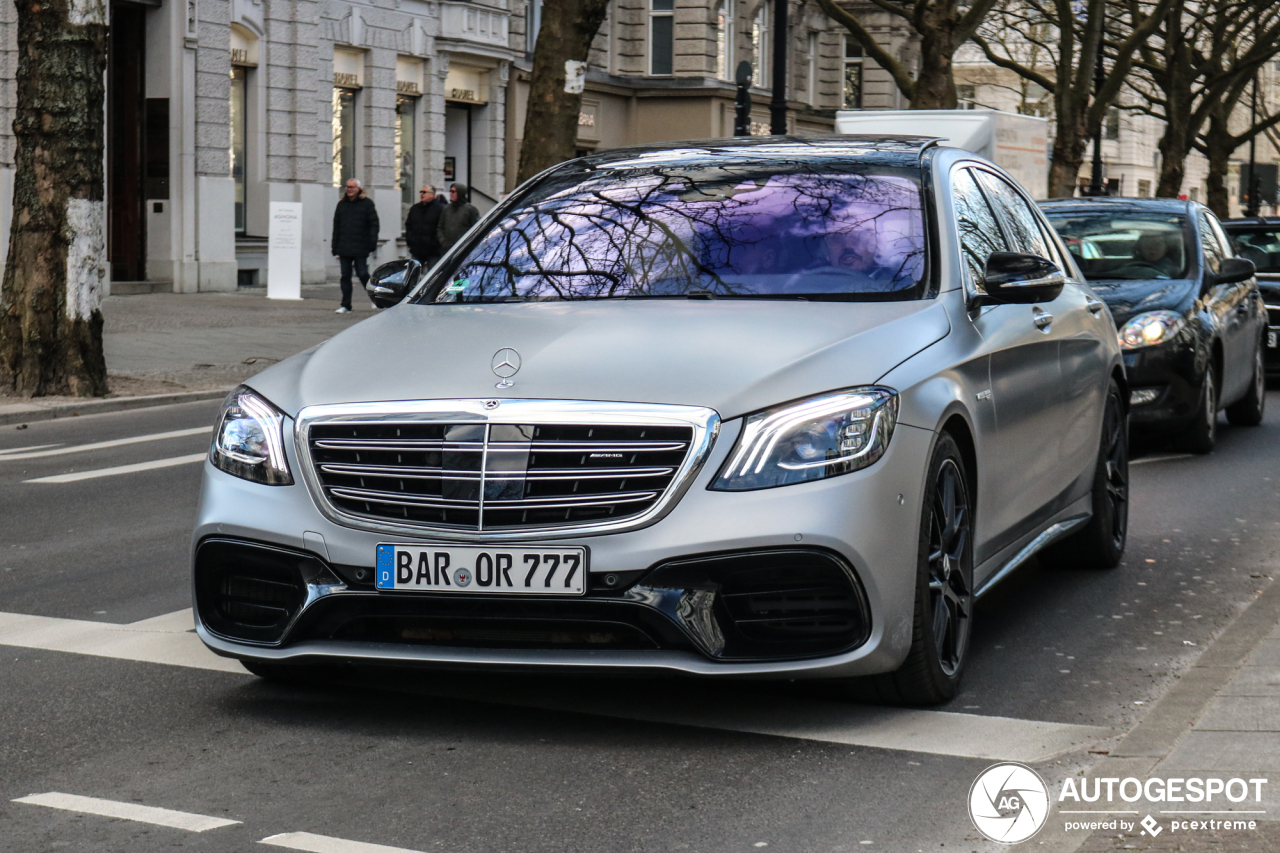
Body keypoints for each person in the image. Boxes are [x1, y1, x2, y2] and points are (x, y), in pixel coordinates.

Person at [331, 178, 380, 314]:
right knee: (345, 276)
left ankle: (375, 297)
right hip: (344, 246)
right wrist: (334, 246)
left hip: (361, 246)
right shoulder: (341, 205)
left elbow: (374, 225)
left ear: (359, 189)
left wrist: (372, 242)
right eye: (347, 187)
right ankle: (346, 305)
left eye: (352, 187)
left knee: (362, 273)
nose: (349, 189)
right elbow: (337, 227)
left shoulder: (367, 204)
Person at [404, 185, 446, 268]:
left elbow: (442, 228)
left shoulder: (440, 209)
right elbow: (408, 225)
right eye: (421, 192)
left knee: (433, 274)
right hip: (417, 249)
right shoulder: (415, 208)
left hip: (433, 251)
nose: (422, 194)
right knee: (413, 275)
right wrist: (410, 240)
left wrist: (436, 243)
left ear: (432, 195)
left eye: (424, 192)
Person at [437, 183, 480, 254]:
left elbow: (475, 229)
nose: (451, 193)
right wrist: (443, 242)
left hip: (463, 249)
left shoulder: (470, 209)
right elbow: (440, 227)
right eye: (450, 191)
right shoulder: (446, 209)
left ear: (460, 193)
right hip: (447, 249)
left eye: (453, 192)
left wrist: (466, 243)